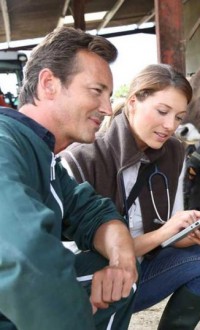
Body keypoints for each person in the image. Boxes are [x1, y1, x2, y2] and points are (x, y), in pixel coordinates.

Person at [60, 64, 200, 329]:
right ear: (133, 103)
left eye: (178, 117)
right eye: (162, 111)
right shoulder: (81, 159)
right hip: (90, 286)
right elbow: (79, 257)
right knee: (111, 263)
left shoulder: (174, 152)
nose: (170, 126)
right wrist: (164, 234)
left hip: (141, 272)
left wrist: (185, 236)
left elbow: (166, 225)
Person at [0, 27, 139, 329]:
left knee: (113, 277)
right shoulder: (4, 141)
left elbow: (93, 212)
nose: (106, 108)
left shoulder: (44, 155)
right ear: (49, 83)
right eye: (96, 91)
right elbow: (22, 254)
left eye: (109, 96)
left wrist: (122, 261)